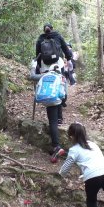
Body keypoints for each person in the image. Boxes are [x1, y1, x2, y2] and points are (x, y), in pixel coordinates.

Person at [35, 23, 73, 162]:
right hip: (59, 69)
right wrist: (69, 58)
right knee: (60, 91)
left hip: (46, 72)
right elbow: (66, 51)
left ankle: (56, 146)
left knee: (51, 104)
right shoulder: (57, 36)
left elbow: (37, 56)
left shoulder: (40, 39)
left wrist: (39, 70)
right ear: (52, 28)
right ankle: (59, 117)